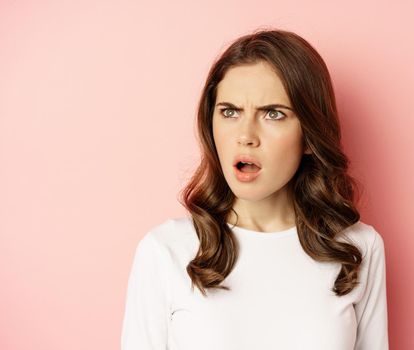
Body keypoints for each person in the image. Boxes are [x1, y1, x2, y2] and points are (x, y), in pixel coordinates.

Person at [121, 28, 389, 350]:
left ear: (310, 135)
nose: (246, 135)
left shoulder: (359, 248)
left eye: (273, 114)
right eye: (230, 112)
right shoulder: (165, 251)